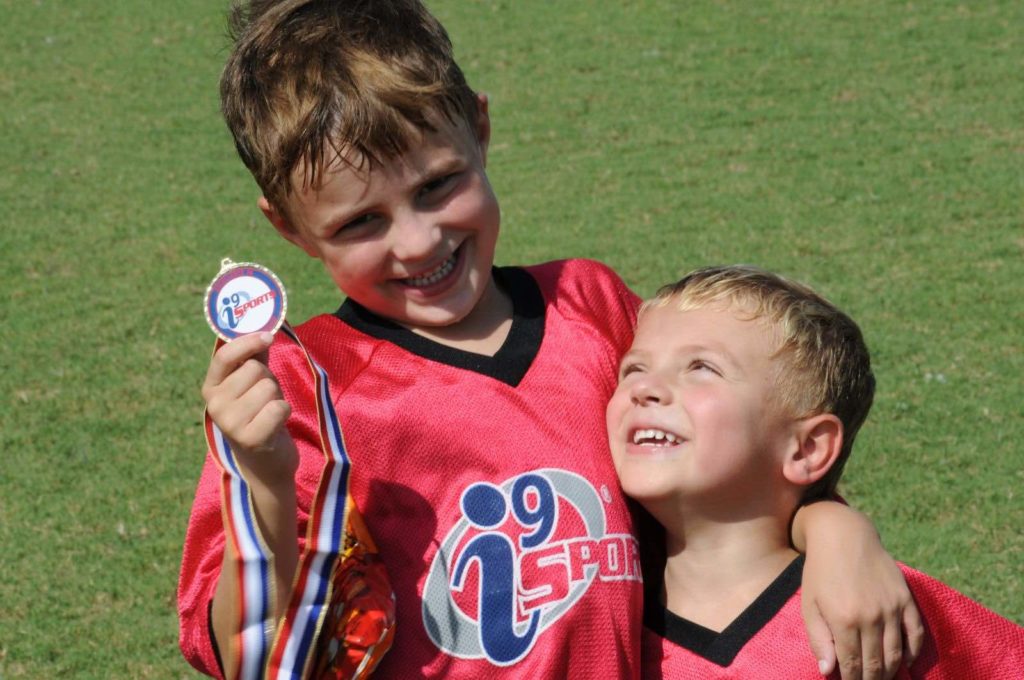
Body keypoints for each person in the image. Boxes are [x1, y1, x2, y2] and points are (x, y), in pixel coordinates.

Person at [179, 2, 921, 678]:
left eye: (437, 185)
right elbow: (244, 653)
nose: (417, 241)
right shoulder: (297, 383)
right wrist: (266, 484)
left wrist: (836, 528)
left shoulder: (590, 304)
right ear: (286, 226)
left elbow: (734, 462)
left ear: (481, 127)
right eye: (359, 223)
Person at [607, 265, 1024, 678]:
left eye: (701, 367)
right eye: (634, 369)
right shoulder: (589, 620)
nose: (644, 389)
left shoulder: (876, 613)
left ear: (808, 448)